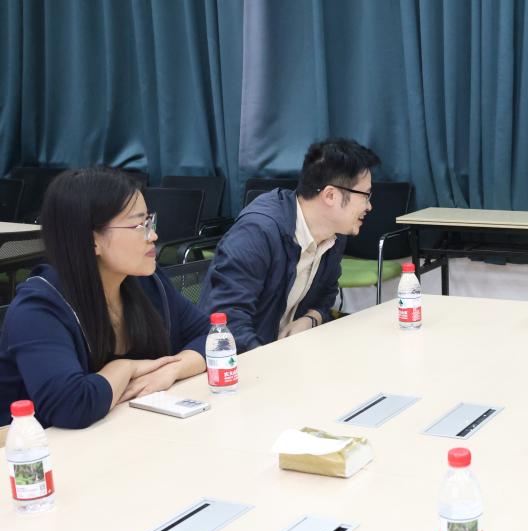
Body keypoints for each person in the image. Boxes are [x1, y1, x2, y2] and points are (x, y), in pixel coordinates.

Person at [0, 167, 208, 428]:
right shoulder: (37, 309)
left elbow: (216, 336)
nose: (153, 235)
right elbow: (70, 406)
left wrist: (172, 369)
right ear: (92, 240)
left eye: (150, 221)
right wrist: (125, 368)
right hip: (38, 450)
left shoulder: (146, 283)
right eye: (139, 225)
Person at [200, 137, 380, 352]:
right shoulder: (257, 233)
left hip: (288, 352)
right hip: (243, 361)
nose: (369, 206)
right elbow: (226, 323)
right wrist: (271, 361)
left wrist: (311, 319)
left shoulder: (333, 233)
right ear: (330, 195)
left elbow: (326, 294)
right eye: (365, 195)